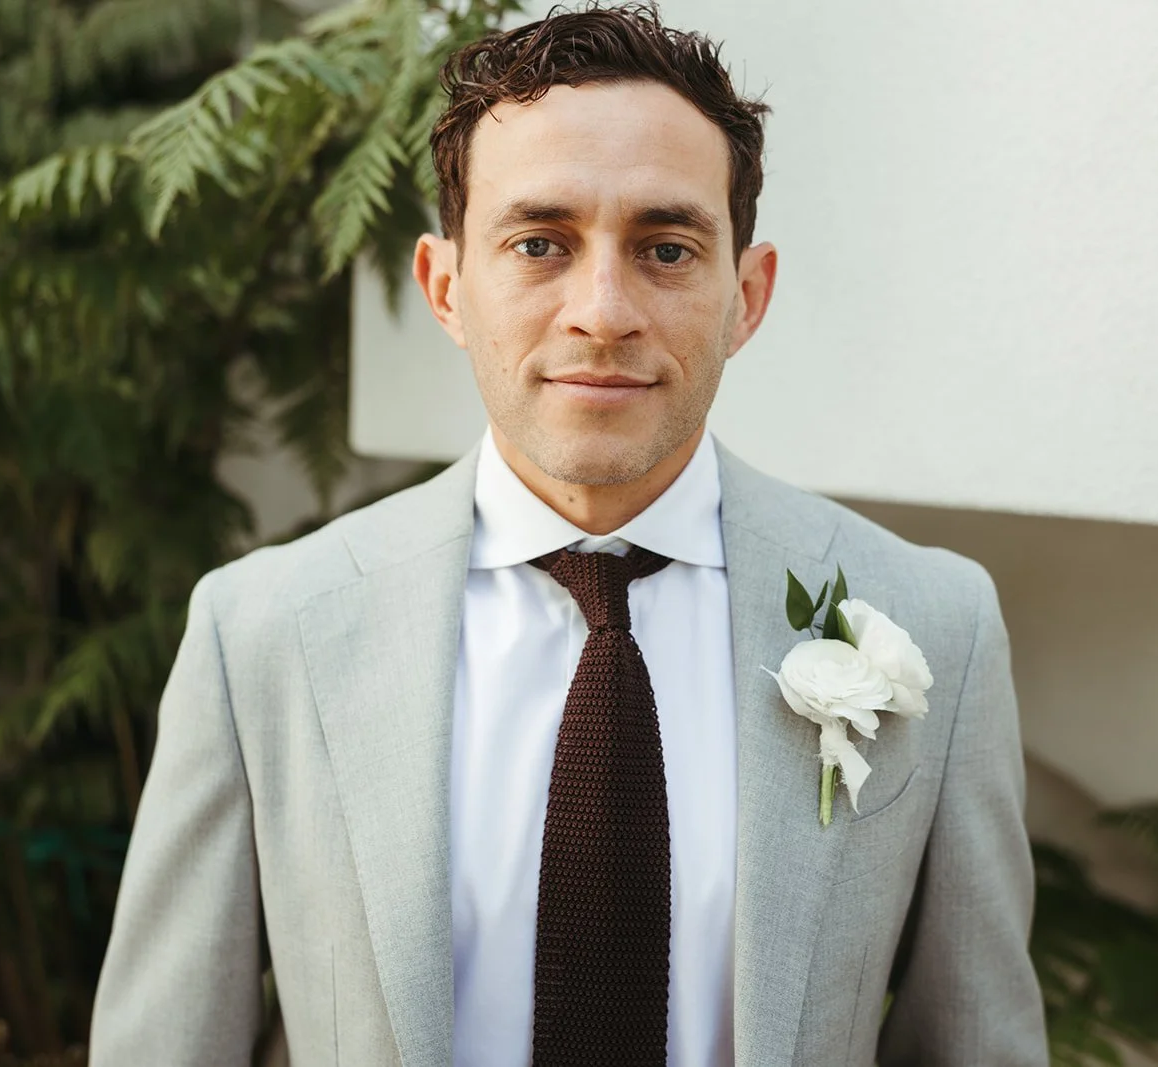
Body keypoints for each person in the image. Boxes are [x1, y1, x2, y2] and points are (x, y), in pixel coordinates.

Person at [89, 4, 1048, 1065]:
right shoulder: (262, 633)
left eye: (666, 248)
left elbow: (978, 1041)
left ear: (746, 295)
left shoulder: (934, 624)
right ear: (446, 287)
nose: (602, 311)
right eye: (539, 243)